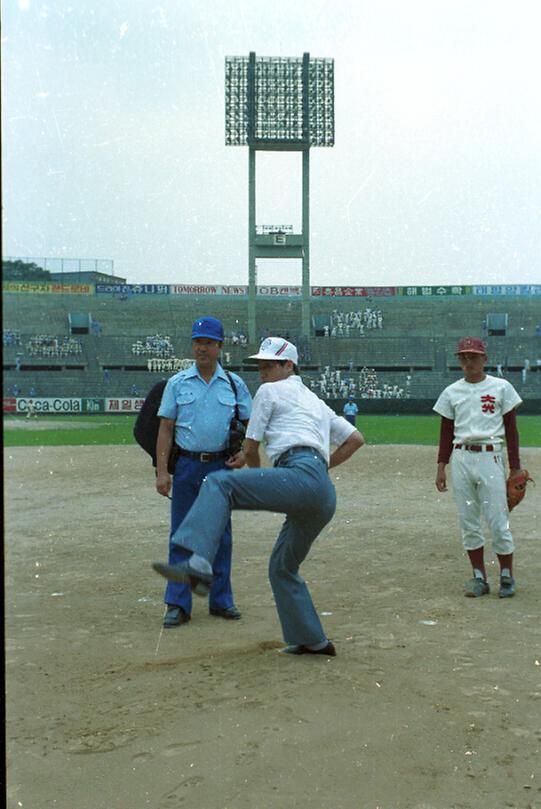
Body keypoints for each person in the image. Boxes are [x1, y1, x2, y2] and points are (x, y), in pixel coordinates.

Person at [153, 336, 364, 657]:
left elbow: (251, 447)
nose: (262, 370)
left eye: (269, 364)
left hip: (299, 474)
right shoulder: (315, 401)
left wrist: (255, 473)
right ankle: (313, 640)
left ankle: (197, 566)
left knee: (219, 484)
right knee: (282, 567)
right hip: (322, 493)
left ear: (289, 365)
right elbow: (355, 439)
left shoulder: (269, 391)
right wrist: (321, 469)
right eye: (260, 365)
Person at [155, 316, 251, 628]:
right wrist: (161, 471)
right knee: (181, 533)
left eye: (208, 342)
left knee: (221, 535)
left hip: (221, 466)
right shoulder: (177, 383)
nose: (202, 348)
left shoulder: (235, 385)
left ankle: (221, 601)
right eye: (197, 342)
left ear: (220, 346)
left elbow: (251, 427)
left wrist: (245, 454)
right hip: (187, 465)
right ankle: (178, 603)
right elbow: (165, 429)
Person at [434, 337, 523, 599]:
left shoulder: (501, 387)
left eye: (473, 356)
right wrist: (441, 466)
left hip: (490, 457)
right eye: (463, 357)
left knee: (498, 520)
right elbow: (446, 433)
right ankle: (479, 577)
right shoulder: (452, 392)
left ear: (484, 359)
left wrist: (515, 467)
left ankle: (506, 576)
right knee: (468, 521)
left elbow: (512, 430)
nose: (468, 362)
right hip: (461, 457)